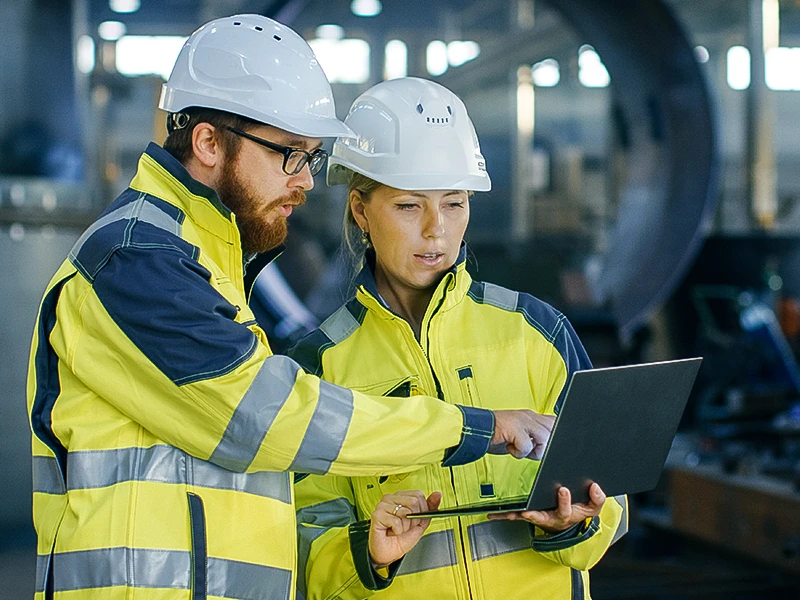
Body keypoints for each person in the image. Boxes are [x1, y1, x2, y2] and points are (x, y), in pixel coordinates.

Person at [25, 16, 556, 600]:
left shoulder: (208, 260)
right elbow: (264, 418)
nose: (305, 181)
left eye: (309, 157)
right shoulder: (136, 259)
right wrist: (473, 427)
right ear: (207, 142)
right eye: (290, 154)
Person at [290, 77, 628, 600]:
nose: (437, 231)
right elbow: (303, 551)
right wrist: (365, 553)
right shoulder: (320, 368)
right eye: (408, 206)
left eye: (454, 203)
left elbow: (611, 501)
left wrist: (575, 523)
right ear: (360, 209)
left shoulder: (537, 332)